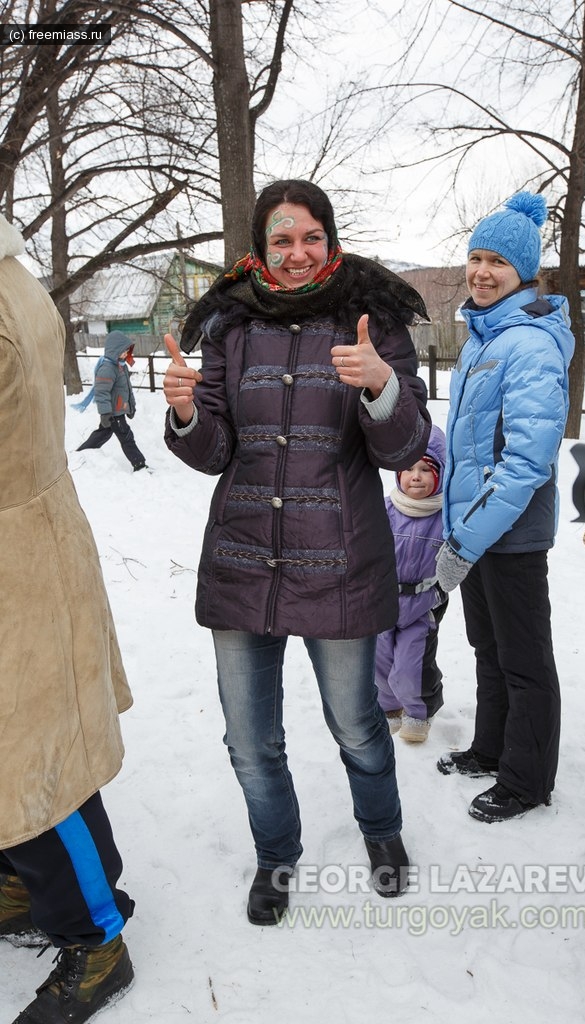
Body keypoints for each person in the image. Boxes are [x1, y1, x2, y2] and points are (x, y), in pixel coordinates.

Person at [162, 179, 431, 923]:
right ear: (259, 246)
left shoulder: (365, 316)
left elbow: (403, 446)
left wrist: (381, 386)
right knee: (251, 742)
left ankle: (382, 832)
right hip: (242, 563)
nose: (295, 253)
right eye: (280, 240)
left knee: (356, 725)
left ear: (330, 238)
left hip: (337, 565)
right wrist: (187, 413)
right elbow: (214, 450)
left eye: (309, 237)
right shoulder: (228, 323)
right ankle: (276, 856)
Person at [0, 213, 134, 1022]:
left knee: (35, 767)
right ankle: (20, 886)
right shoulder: (15, 275)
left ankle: (98, 936)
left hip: (16, 566)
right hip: (27, 545)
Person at [435, 192, 575, 823]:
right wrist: (458, 526)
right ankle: (491, 748)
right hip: (474, 526)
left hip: (509, 534)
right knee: (488, 648)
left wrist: (467, 538)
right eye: (475, 257)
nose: (481, 272)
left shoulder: (531, 346)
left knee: (524, 660)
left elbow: (526, 461)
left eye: (496, 261)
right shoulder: (482, 339)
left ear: (524, 271)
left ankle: (526, 781)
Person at [375, 424, 448, 743]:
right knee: (380, 659)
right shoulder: (386, 508)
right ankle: (389, 708)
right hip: (383, 601)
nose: (415, 476)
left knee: (411, 664)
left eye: (425, 469)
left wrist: (438, 594)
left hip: (421, 604)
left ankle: (420, 712)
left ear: (441, 474)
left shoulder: (445, 514)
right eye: (408, 469)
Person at [75, 330, 147, 471]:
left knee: (103, 433)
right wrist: (105, 413)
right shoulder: (108, 368)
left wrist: (131, 408)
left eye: (127, 351)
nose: (126, 354)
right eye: (123, 351)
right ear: (114, 350)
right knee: (126, 437)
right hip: (113, 412)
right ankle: (139, 464)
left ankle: (81, 452)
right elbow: (102, 393)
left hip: (118, 409)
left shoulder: (121, 366)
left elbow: (127, 389)